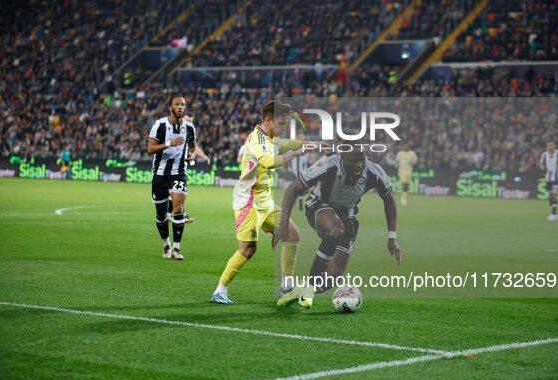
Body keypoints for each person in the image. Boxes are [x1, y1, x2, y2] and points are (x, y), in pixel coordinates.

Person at [274, 148, 401, 309]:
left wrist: (392, 237)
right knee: (336, 230)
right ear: (342, 158)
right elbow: (293, 188)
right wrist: (283, 224)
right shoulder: (328, 163)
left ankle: (300, 290)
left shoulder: (373, 171)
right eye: (353, 160)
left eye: (361, 159)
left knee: (333, 277)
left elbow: (389, 199)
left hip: (348, 216)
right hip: (319, 206)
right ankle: (310, 288)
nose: (358, 165)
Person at [211, 101, 307, 304]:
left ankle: (286, 285)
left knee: (293, 235)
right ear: (268, 120)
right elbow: (267, 161)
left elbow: (289, 143)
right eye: (281, 123)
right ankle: (220, 290)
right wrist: (295, 154)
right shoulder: (256, 140)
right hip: (248, 203)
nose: (283, 128)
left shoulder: (272, 138)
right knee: (248, 249)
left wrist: (312, 145)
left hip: (266, 201)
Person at [147, 94, 197, 260]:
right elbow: (150, 148)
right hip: (160, 173)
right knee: (161, 214)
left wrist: (191, 155)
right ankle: (166, 244)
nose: (180, 107)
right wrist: (169, 143)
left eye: (182, 105)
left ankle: (177, 248)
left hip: (179, 172)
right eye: (177, 104)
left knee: (178, 208)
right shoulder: (160, 125)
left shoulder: (189, 127)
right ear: (170, 107)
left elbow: (193, 145)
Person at [166, 111, 210, 224]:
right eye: (187, 120)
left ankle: (175, 213)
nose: (189, 123)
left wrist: (203, 156)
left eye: (191, 121)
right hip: (172, 166)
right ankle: (173, 214)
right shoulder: (173, 131)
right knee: (176, 190)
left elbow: (194, 147)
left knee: (178, 190)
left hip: (182, 166)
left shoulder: (189, 132)